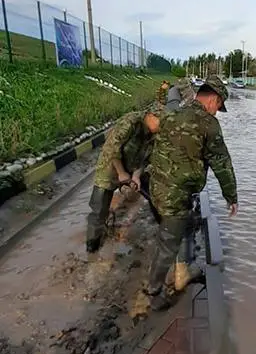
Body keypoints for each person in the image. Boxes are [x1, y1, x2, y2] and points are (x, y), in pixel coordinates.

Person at [145, 75, 238, 310]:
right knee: (167, 244)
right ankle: (153, 293)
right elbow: (222, 164)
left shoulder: (174, 112)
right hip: (174, 196)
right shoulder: (209, 125)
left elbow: (151, 123)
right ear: (213, 99)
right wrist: (231, 197)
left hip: (155, 188)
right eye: (218, 106)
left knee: (183, 228)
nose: (217, 112)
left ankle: (182, 272)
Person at [86, 107, 161, 253]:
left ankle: (165, 229)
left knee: (155, 194)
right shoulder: (131, 122)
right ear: (151, 116)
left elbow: (146, 158)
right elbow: (112, 148)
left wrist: (136, 176)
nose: (161, 128)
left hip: (132, 166)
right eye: (160, 123)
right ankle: (92, 245)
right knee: (98, 208)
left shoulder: (154, 134)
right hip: (110, 167)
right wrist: (121, 173)